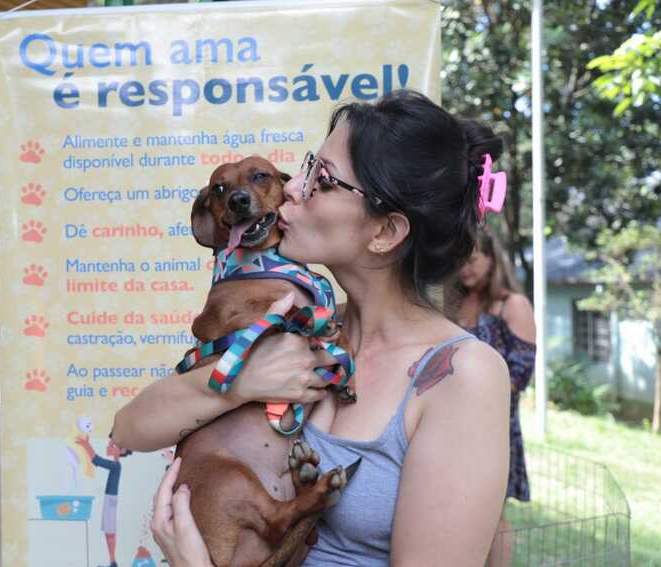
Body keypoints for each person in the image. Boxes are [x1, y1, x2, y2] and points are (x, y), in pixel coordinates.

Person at [113, 90, 512, 566]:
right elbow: (129, 428)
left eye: (322, 180)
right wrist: (239, 382)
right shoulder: (305, 328)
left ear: (385, 232)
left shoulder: (463, 375)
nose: (293, 188)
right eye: (307, 167)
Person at [456, 227, 536, 567]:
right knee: (460, 513)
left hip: (494, 428)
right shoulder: (453, 305)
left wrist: (473, 390)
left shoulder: (510, 305)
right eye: (461, 261)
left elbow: (519, 373)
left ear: (492, 259)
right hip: (451, 426)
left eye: (474, 259)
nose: (467, 268)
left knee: (492, 516)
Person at [75, 433, 133, 567]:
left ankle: (113, 562)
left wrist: (86, 445)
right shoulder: (115, 465)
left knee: (110, 532)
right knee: (109, 532)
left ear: (122, 451)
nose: (109, 446)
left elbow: (97, 460)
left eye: (113, 446)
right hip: (110, 499)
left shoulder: (116, 465)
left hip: (111, 500)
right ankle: (112, 562)